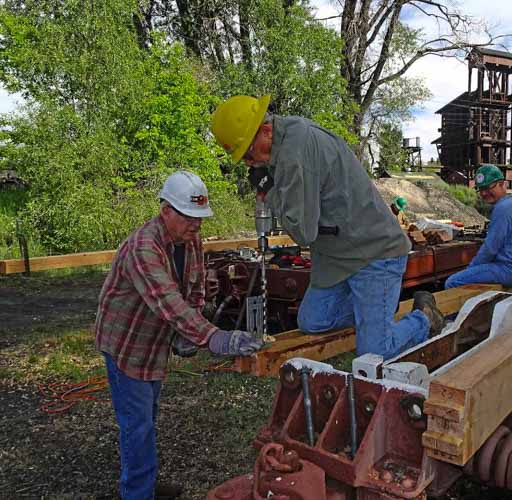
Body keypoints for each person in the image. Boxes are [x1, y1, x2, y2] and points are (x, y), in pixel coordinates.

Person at [210, 95, 442, 359]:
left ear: (265, 130)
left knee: (375, 350)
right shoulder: (286, 137)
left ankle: (424, 319)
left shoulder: (295, 155)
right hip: (337, 256)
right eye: (243, 159)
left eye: (248, 153)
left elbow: (303, 232)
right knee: (313, 322)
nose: (249, 163)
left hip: (374, 252)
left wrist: (270, 192)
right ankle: (373, 315)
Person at [95, 171, 263, 500]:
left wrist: (196, 319)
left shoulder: (189, 238)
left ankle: (144, 481)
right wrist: (214, 337)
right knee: (137, 426)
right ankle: (137, 493)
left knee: (149, 415)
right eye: (190, 217)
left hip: (154, 343)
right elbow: (168, 302)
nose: (197, 225)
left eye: (200, 218)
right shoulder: (143, 248)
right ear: (165, 211)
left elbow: (196, 283)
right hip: (127, 345)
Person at [445, 164, 512, 289]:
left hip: (510, 270)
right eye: (481, 189)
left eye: (488, 188)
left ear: (502, 184)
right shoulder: (509, 205)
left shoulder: (503, 209)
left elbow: (490, 248)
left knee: (452, 282)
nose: (484, 193)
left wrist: (471, 269)